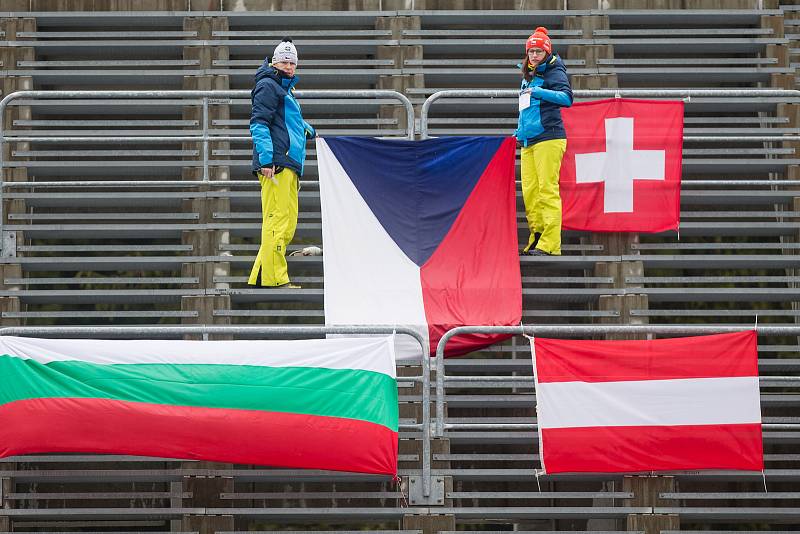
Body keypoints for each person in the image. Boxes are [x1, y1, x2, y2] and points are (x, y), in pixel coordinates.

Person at [249, 38, 315, 288]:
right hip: (276, 163)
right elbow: (259, 124)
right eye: (284, 61)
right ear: (274, 61)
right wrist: (266, 159)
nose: (288, 65)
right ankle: (275, 279)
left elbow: (285, 120)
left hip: (286, 162)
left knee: (284, 222)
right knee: (279, 221)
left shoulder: (283, 87)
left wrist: (308, 130)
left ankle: (261, 275)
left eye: (292, 62)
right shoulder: (269, 85)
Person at [514, 26, 573, 256]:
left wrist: (540, 92)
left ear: (547, 52)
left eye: (539, 51)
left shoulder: (553, 70)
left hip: (549, 137)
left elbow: (567, 98)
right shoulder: (529, 72)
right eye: (532, 51)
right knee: (530, 192)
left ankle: (550, 244)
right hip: (529, 140)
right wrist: (519, 131)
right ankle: (537, 237)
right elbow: (526, 110)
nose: (535, 55)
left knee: (547, 191)